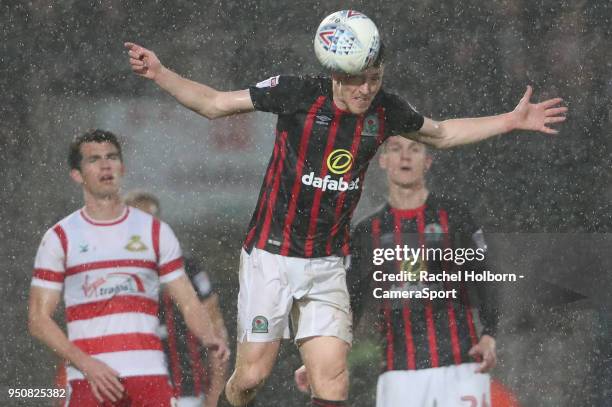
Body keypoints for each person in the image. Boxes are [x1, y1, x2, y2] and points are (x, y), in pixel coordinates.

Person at [124, 22, 566, 405]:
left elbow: (444, 133)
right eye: (357, 80)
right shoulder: (295, 93)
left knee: (332, 380)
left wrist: (508, 120)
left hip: (328, 263)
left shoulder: (386, 109)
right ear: (335, 74)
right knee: (251, 379)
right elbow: (215, 104)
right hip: (270, 256)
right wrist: (160, 73)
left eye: (374, 78)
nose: (366, 89)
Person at [28, 129, 229, 406]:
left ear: (122, 167)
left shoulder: (156, 232)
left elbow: (189, 302)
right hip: (90, 379)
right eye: (94, 159)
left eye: (111, 157)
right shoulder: (60, 237)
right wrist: (85, 364)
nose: (105, 165)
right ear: (77, 174)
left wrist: (209, 337)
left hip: (149, 376)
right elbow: (38, 319)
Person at [295, 136, 500, 406]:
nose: (405, 157)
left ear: (427, 161)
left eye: (414, 149)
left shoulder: (453, 216)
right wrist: (325, 357)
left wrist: (490, 333)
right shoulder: (368, 232)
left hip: (461, 363)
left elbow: (484, 277)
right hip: (398, 372)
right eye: (396, 149)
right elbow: (349, 303)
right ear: (383, 161)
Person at [124, 190, 229, 407]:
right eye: (136, 220)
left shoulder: (186, 268)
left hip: (185, 390)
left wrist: (216, 392)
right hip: (128, 388)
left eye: (150, 220)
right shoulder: (110, 270)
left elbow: (216, 327)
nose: (142, 228)